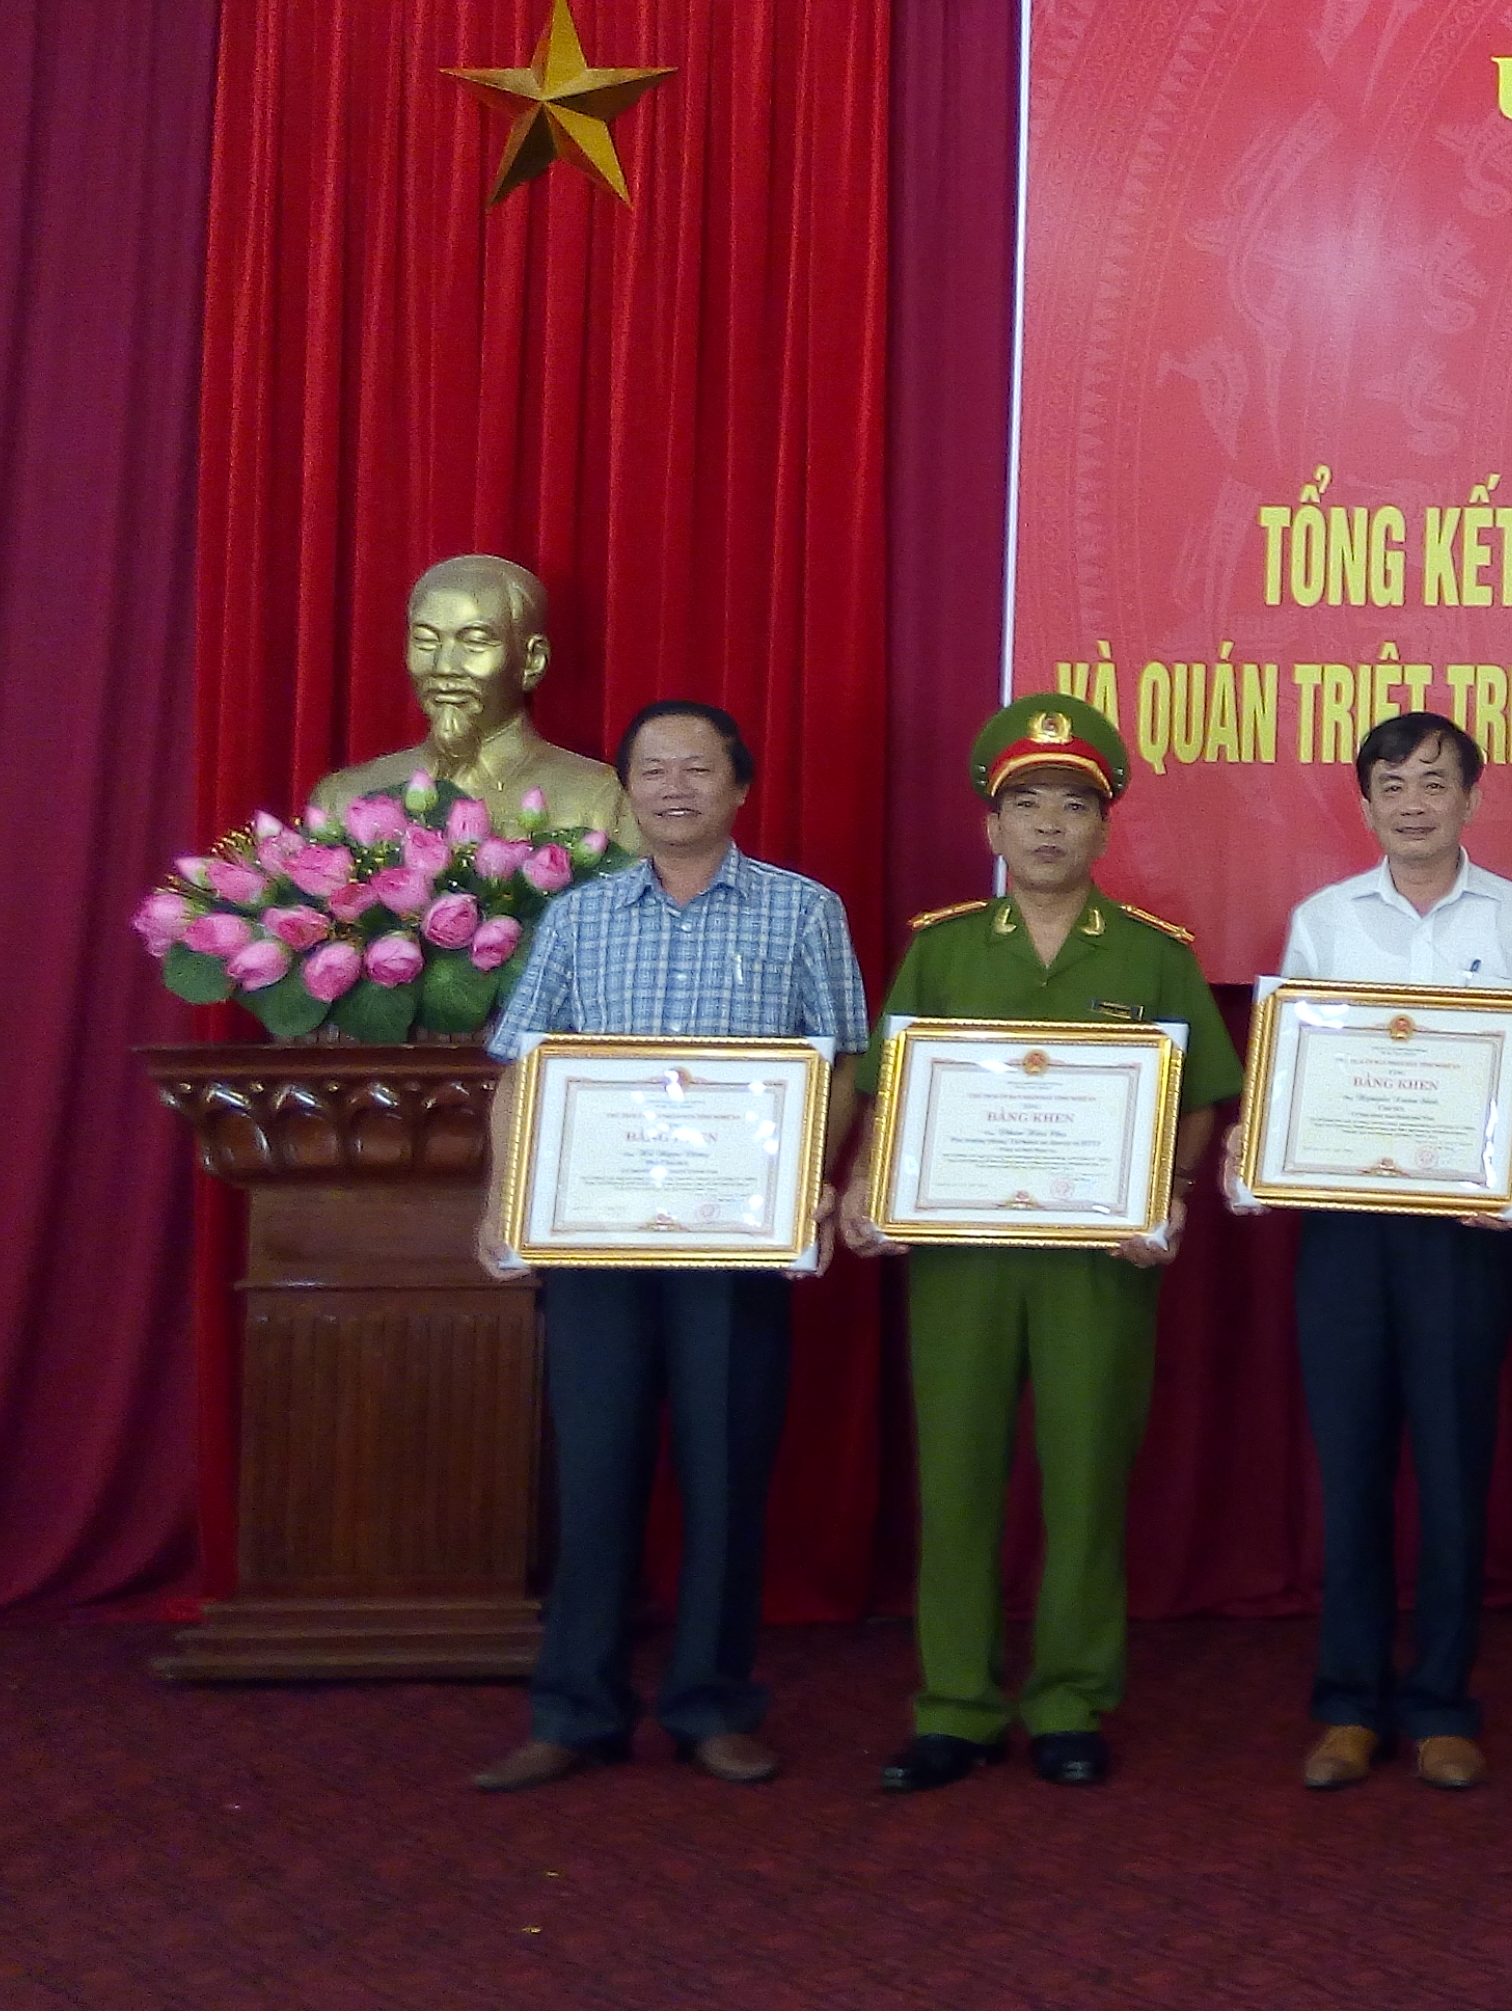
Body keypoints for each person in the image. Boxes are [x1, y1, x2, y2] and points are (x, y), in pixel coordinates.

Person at [468, 699, 865, 1793]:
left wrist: (808, 1180)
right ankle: (575, 1711)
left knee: (726, 1479)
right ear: (626, 791)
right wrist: (503, 1202)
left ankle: (711, 1706)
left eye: (697, 769)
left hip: (736, 1246)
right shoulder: (579, 916)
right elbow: (522, 1069)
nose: (674, 788)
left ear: (740, 787)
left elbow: (841, 1062)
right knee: (594, 1480)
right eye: (653, 770)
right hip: (597, 1243)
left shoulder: (802, 910)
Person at [855, 694, 1240, 1796]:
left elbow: (1200, 1096)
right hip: (961, 1260)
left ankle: (1070, 1700)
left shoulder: (1155, 956)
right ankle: (956, 1706)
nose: (1048, 827)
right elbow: (889, 1091)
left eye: (1073, 805)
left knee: (1085, 1481)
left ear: (1104, 827)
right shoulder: (941, 951)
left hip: (1097, 1264)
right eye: (1027, 805)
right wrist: (871, 1186)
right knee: (957, 1478)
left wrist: (1167, 1193)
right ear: (993, 825)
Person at [1275, 712, 1512, 1794]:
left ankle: (1444, 1703)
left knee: (1457, 1471)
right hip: (1345, 1235)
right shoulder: (1323, 922)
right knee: (1351, 1471)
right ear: (1365, 803)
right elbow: (1293, 1082)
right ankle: (1348, 1705)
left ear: (1471, 798)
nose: (1412, 803)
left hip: (1466, 1238)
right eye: (1392, 785)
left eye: (1433, 783)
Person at [313, 553, 637, 851]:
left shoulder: (601, 799)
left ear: (532, 661)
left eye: (475, 642)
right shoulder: (345, 798)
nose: (444, 666)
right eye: (426, 640)